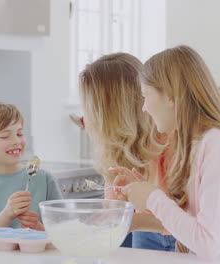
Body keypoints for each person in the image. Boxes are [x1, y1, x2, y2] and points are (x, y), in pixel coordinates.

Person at [122, 45, 220, 260]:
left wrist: (152, 198)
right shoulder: (196, 144)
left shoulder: (216, 142)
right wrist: (146, 191)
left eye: (146, 95)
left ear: (171, 96)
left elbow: (208, 243)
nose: (144, 108)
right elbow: (192, 227)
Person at [79, 53, 176, 251]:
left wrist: (134, 220)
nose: (87, 117)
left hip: (176, 240)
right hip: (144, 234)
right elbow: (113, 213)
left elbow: (192, 223)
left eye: (90, 108)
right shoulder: (115, 149)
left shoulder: (173, 143)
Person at [0, 101, 62, 232]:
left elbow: (61, 235)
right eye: (5, 136)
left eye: (19, 134)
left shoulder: (46, 180)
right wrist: (7, 215)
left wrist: (37, 226)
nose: (16, 141)